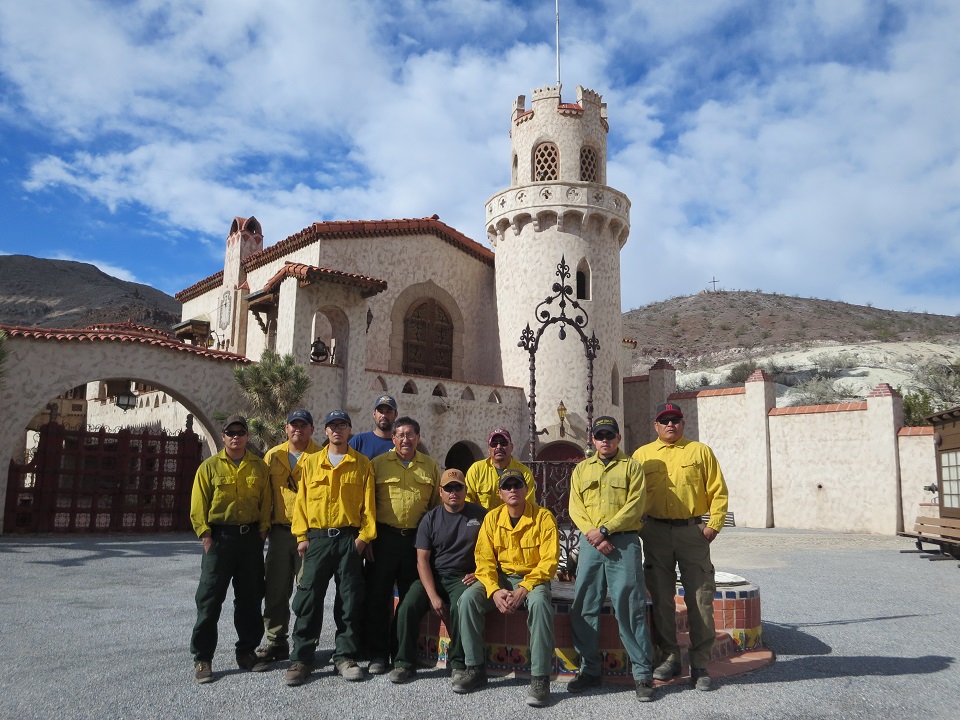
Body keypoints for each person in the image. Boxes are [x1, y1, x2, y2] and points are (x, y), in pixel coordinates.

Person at [632, 401, 729, 691]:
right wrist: (638, 528)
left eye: (675, 420)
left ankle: (699, 664)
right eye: (665, 420)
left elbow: (718, 490)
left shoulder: (700, 452)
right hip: (655, 534)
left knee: (700, 599)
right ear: (656, 426)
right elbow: (633, 494)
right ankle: (671, 657)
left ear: (683, 424)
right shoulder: (642, 455)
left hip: (692, 534)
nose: (670, 424)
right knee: (661, 599)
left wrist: (713, 526)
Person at [284, 410, 377, 686]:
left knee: (349, 600)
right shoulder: (311, 463)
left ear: (350, 430)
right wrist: (301, 536)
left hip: (349, 539)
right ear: (325, 431)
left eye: (342, 425)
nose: (337, 430)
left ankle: (345, 657)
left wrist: (363, 538)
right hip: (318, 540)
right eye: (332, 425)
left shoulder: (361, 464)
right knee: (309, 598)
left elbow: (368, 506)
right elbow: (301, 502)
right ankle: (301, 658)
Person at [454, 468, 559, 708]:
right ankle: (474, 669)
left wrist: (525, 587)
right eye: (507, 487)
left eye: (517, 485)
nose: (513, 490)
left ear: (526, 489)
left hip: (533, 578)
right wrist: (494, 590)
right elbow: (484, 560)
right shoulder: (492, 518)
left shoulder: (543, 517)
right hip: (500, 578)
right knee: (468, 599)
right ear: (500, 493)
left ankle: (540, 679)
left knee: (541, 604)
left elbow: (549, 562)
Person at [567, 416, 655, 702]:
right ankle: (590, 670)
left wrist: (605, 530)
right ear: (593, 440)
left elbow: (635, 505)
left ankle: (642, 675)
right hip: (592, 544)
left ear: (619, 438)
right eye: (600, 435)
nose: (605, 440)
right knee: (584, 605)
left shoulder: (632, 468)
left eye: (610, 435)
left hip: (624, 543)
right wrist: (595, 534)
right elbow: (575, 505)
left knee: (630, 606)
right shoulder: (581, 469)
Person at [189, 415, 271, 684]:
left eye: (240, 432)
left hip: (249, 540)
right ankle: (203, 658)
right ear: (223, 436)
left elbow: (266, 502)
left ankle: (246, 652)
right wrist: (206, 537)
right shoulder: (209, 467)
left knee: (249, 599)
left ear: (248, 436)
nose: (235, 436)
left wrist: (261, 532)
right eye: (230, 432)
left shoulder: (259, 467)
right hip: (220, 539)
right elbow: (198, 506)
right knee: (209, 599)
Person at [389, 468, 486, 684]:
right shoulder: (430, 519)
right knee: (407, 606)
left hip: (463, 577)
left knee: (462, 606)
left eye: (458, 487)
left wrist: (480, 574)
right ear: (441, 491)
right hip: (433, 575)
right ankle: (403, 663)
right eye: (449, 488)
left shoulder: (481, 516)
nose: (454, 492)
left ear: (465, 490)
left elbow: (494, 550)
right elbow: (422, 560)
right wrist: (433, 596)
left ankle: (459, 664)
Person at [364, 416, 441, 674]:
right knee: (377, 597)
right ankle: (377, 653)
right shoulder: (377, 465)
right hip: (383, 540)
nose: (405, 439)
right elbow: (368, 504)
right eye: (400, 435)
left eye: (410, 435)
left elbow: (434, 509)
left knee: (410, 600)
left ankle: (402, 655)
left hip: (415, 544)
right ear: (393, 438)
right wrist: (370, 538)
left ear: (418, 438)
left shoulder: (429, 467)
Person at [256, 409, 322, 664]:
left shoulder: (321, 456)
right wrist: (263, 529)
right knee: (275, 588)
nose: (298, 429)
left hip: (310, 534)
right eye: (293, 425)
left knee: (308, 589)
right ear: (286, 428)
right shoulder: (273, 456)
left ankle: (306, 643)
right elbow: (264, 497)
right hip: (281, 532)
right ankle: (276, 640)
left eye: (303, 425)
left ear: (312, 429)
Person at [464, 428, 535, 510]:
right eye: (494, 444)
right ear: (488, 448)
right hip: (482, 521)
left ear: (511, 447)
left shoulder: (524, 472)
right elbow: (467, 500)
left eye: (503, 443)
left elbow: (529, 505)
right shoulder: (476, 470)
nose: (499, 447)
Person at [349, 394, 398, 459]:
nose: (383, 415)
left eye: (388, 412)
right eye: (380, 411)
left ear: (395, 415)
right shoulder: (359, 441)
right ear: (374, 414)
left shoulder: (400, 443)